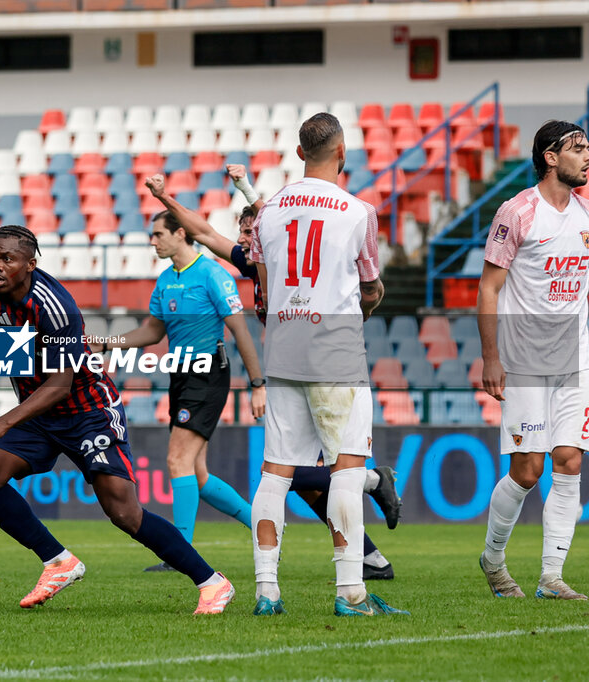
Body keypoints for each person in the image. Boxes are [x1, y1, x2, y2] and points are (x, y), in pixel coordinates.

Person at [0, 224, 236, 614]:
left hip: (86, 412)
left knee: (124, 513)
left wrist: (3, 421)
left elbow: (61, 385)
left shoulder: (56, 306)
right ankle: (58, 561)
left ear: (30, 264)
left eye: (7, 259)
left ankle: (212, 583)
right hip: (38, 412)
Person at [145, 168, 401, 581]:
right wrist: (165, 200)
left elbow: (369, 287)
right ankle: (372, 557)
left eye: (251, 232)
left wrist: (259, 382)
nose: (246, 239)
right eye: (244, 232)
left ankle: (372, 487)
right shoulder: (252, 263)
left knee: (299, 473)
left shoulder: (283, 249)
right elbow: (207, 233)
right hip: (292, 366)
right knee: (311, 478)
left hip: (323, 363)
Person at [249, 112, 407, 617]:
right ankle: (351, 594)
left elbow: (265, 292)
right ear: (342, 153)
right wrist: (371, 299)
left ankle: (267, 591)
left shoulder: (269, 209)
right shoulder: (358, 210)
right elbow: (368, 287)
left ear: (300, 153)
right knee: (346, 469)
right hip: (335, 350)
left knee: (275, 472)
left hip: (284, 347)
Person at [91, 210, 266, 572]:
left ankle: (179, 552)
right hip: (182, 375)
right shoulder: (166, 280)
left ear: (180, 233)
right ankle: (264, 526)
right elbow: (152, 332)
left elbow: (241, 331)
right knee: (196, 473)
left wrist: (258, 384)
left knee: (177, 461)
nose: (152, 241)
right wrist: (105, 343)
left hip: (207, 375)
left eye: (158, 234)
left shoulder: (213, 275)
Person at [477, 120, 589, 601]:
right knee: (528, 470)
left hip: (576, 359)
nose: (586, 156)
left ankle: (550, 578)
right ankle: (494, 559)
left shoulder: (585, 213)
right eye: (577, 149)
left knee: (568, 461)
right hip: (524, 360)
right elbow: (489, 287)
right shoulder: (517, 212)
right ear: (549, 156)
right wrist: (491, 357)